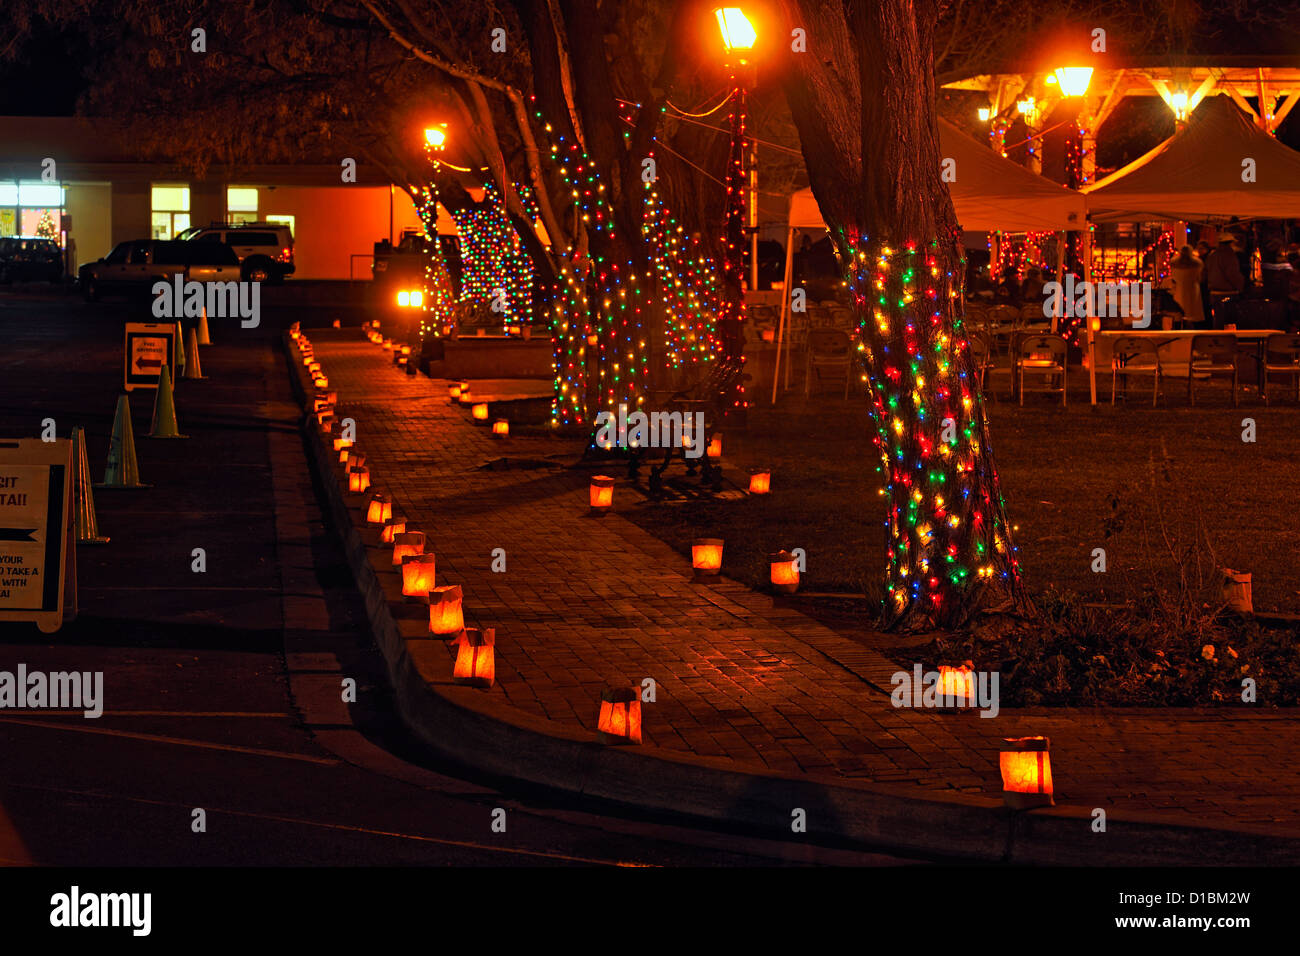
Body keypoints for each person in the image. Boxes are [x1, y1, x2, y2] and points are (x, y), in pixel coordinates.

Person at [1204, 236, 1245, 327]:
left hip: (1214, 293)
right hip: (1228, 292)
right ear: (1230, 243)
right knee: (1229, 321)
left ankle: (1218, 338)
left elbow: (1205, 272)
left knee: (1218, 319)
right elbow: (1232, 274)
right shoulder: (1229, 255)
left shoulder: (1212, 255)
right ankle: (1228, 339)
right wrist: (1241, 286)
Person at [1170, 245, 1205, 326]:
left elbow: (1173, 277)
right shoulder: (1197, 264)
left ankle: (1180, 326)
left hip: (1179, 290)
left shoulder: (1174, 264)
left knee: (1180, 310)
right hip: (1192, 290)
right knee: (1192, 311)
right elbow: (1200, 278)